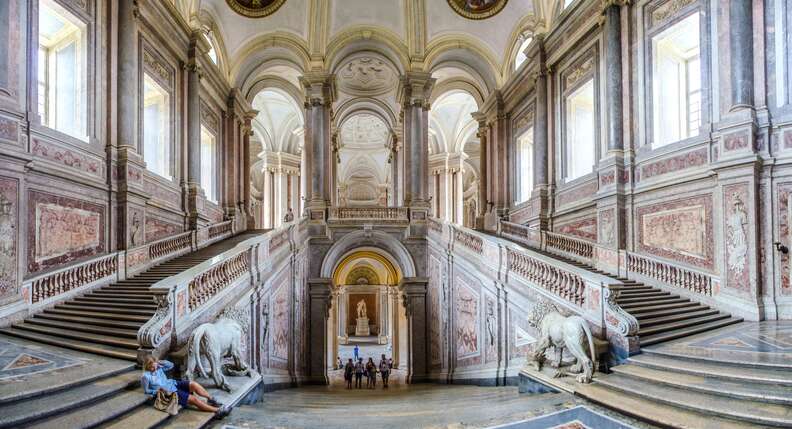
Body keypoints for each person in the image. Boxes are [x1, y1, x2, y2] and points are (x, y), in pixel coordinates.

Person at [141, 357, 230, 418]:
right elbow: (146, 390)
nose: (154, 368)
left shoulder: (159, 368)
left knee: (193, 384)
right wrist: (156, 391)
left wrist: (161, 362)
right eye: (152, 367)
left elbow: (171, 365)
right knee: (193, 399)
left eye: (155, 366)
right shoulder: (145, 376)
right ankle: (217, 411)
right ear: (147, 366)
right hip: (168, 392)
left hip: (173, 384)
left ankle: (211, 399)